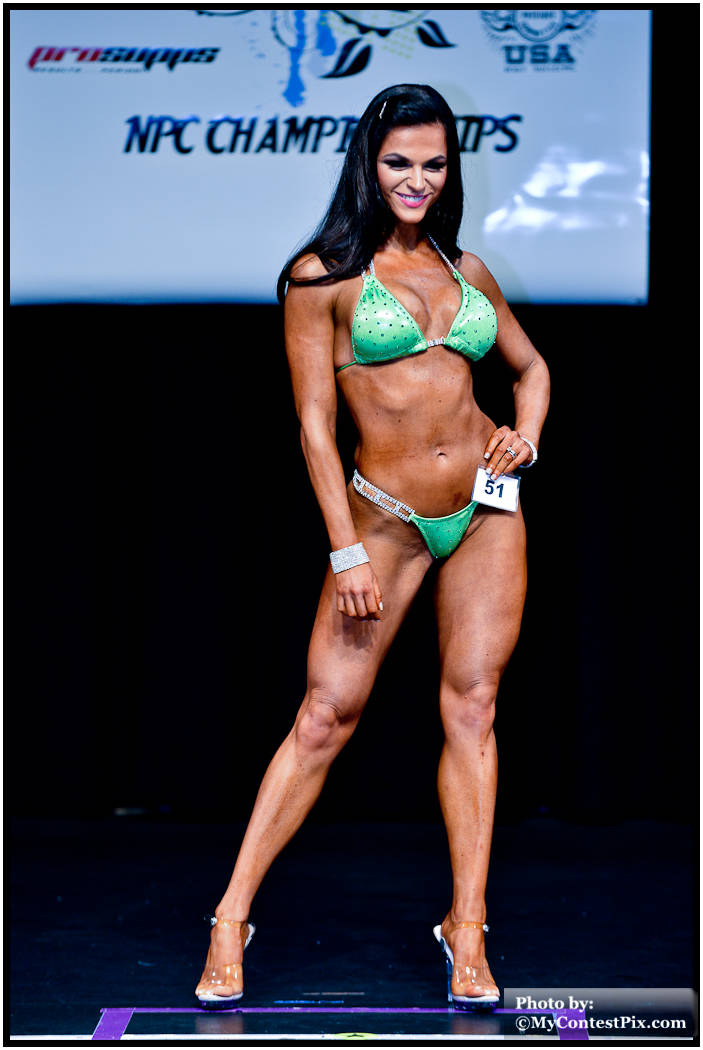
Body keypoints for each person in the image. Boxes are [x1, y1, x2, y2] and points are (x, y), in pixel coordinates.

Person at [195, 83, 550, 1010]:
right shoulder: (321, 277)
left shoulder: (464, 268)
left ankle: (465, 927)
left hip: (486, 511)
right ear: (368, 164)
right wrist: (343, 550)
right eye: (399, 163)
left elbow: (530, 368)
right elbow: (314, 429)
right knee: (325, 716)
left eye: (433, 164)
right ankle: (230, 917)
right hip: (383, 519)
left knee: (473, 708)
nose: (416, 179)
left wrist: (525, 434)